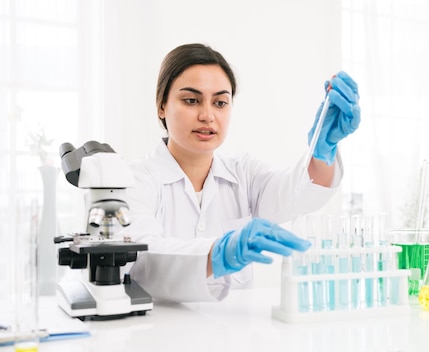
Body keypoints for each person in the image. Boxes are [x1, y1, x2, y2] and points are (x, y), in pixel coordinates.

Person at [121, 43, 360, 302]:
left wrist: (321, 150)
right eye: (191, 100)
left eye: (220, 102)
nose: (207, 115)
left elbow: (296, 195)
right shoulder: (132, 181)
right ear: (161, 106)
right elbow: (140, 261)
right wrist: (218, 254)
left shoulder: (243, 173)